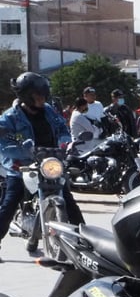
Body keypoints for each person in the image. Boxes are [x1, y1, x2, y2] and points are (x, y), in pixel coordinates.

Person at [0, 72, 84, 258]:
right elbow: (4, 146)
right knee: (9, 205)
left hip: (49, 163)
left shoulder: (48, 110)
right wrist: (25, 152)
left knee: (69, 202)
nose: (42, 99)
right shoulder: (10, 117)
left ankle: (85, 243)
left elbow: (62, 128)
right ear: (26, 95)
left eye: (44, 96)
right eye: (38, 96)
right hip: (22, 167)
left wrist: (65, 143)